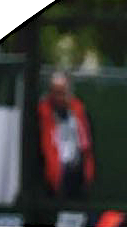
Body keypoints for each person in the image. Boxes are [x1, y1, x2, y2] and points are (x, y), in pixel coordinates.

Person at [38, 72, 95, 200]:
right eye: (56, 93)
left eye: (63, 92)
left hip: (75, 170)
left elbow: (85, 143)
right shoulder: (44, 112)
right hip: (53, 173)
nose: (60, 98)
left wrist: (87, 171)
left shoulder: (78, 109)